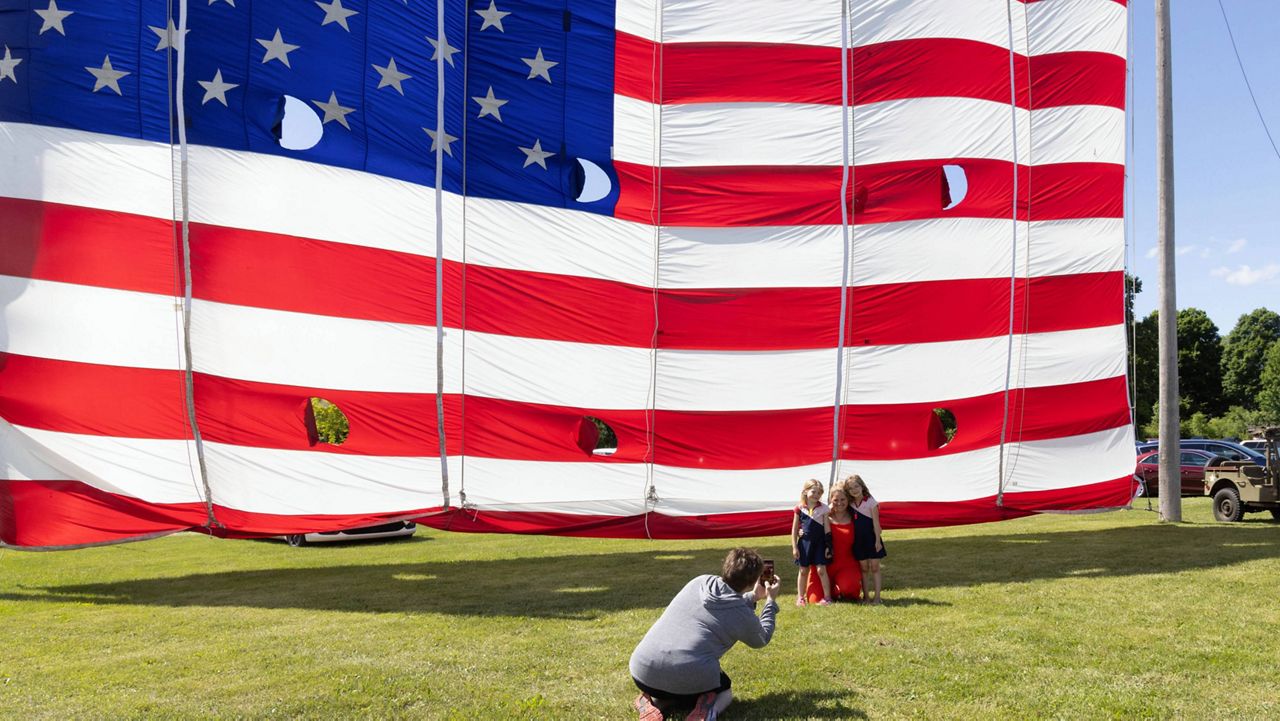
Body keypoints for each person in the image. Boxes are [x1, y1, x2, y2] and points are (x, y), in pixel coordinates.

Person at [630, 547, 781, 720]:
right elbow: (761, 638)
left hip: (641, 669)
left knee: (675, 689)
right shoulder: (741, 614)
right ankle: (707, 713)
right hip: (688, 672)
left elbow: (724, 603)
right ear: (751, 582)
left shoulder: (700, 581)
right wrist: (770, 601)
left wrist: (753, 597)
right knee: (724, 692)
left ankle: (655, 702)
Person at [812, 484, 862, 602]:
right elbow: (807, 524)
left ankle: (837, 590)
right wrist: (801, 531)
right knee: (815, 600)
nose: (839, 503)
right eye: (835, 500)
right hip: (823, 566)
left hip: (847, 564)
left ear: (848, 499)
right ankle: (833, 591)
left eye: (843, 499)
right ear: (830, 500)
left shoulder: (855, 516)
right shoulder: (821, 515)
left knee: (849, 589)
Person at [845, 474, 886, 604]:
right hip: (858, 541)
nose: (854, 490)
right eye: (851, 488)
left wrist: (877, 541)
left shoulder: (871, 502)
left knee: (875, 567)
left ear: (862, 486)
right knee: (863, 569)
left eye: (856, 486)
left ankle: (878, 597)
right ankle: (866, 596)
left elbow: (876, 523)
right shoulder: (849, 503)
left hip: (872, 539)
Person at [791, 478, 833, 607]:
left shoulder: (824, 508)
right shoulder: (799, 508)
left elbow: (827, 528)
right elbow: (794, 528)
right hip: (804, 544)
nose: (816, 495)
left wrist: (828, 545)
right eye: (813, 492)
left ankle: (827, 597)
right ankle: (800, 597)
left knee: (821, 570)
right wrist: (794, 547)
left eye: (819, 493)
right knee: (803, 570)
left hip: (820, 544)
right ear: (805, 491)